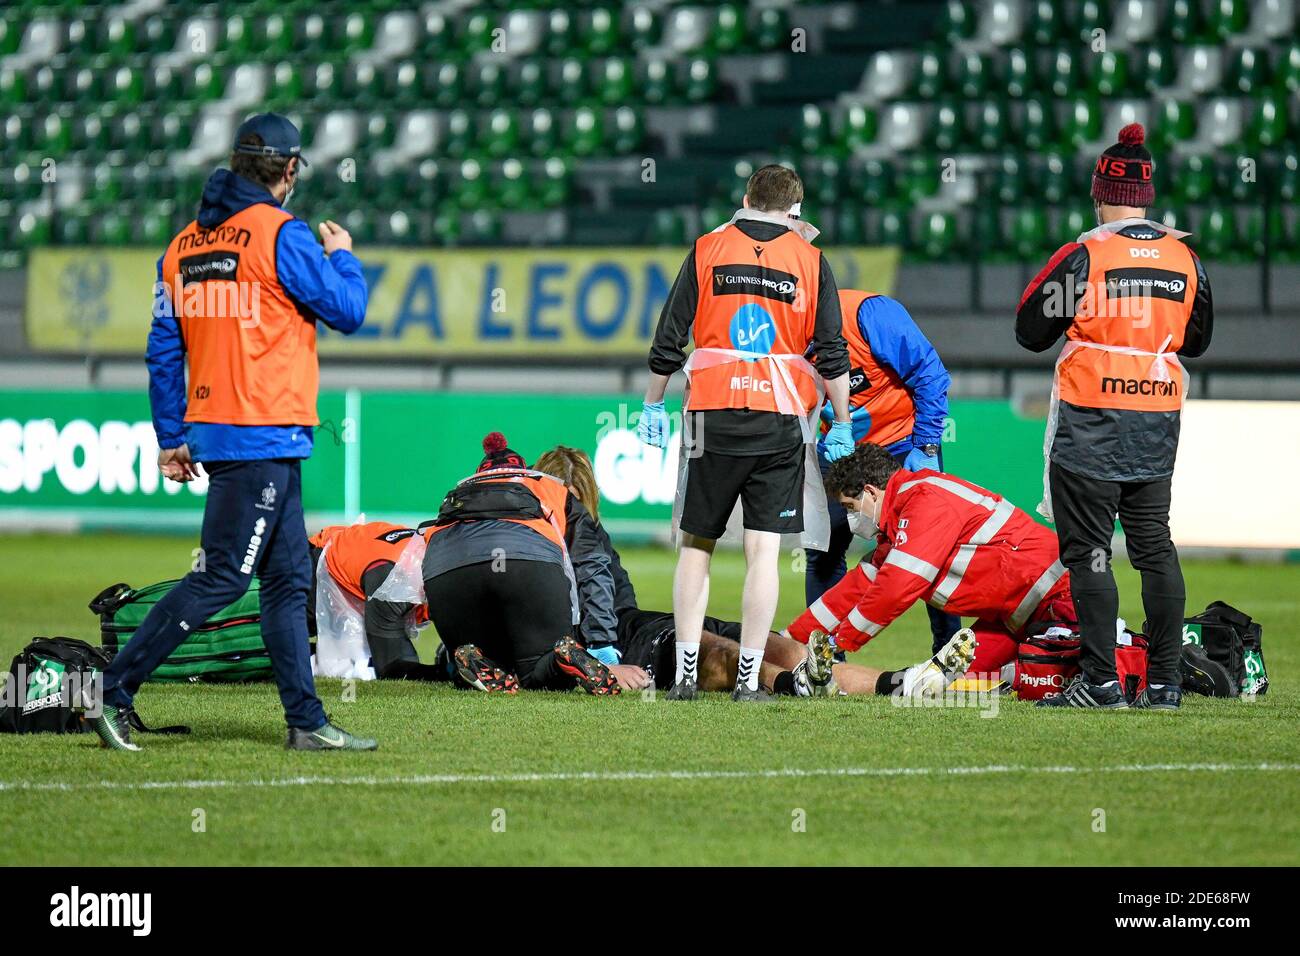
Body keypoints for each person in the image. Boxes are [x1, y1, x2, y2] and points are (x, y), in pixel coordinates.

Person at [85, 112, 375, 751]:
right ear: (289, 170)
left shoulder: (182, 247)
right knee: (220, 579)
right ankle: (111, 693)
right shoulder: (281, 235)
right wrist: (344, 256)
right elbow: (348, 311)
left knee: (286, 581)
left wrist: (171, 435)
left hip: (230, 434)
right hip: (262, 432)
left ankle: (305, 722)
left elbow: (164, 348)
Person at [637, 163, 856, 702]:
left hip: (711, 415)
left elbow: (671, 332)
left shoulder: (708, 248)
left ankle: (685, 678)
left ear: (746, 197)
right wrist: (844, 424)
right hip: (779, 420)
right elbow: (831, 353)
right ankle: (747, 680)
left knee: (697, 545)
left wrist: (651, 402)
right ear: (794, 210)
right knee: (763, 552)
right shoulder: (810, 260)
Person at [1016, 124, 1213, 710]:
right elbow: (1197, 341)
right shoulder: (1185, 258)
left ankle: (1101, 682)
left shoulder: (1085, 255)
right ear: (1148, 196)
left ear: (1100, 192)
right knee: (1155, 546)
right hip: (1155, 419)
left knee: (1091, 552)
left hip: (1091, 421)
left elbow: (1031, 332)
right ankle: (1166, 682)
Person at [532, 445, 974, 699]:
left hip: (641, 625)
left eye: (577, 502)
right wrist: (603, 660)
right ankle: (792, 686)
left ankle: (901, 682)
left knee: (766, 642)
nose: (571, 512)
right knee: (716, 650)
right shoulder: (538, 545)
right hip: (628, 642)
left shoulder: (589, 536)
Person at [792, 443, 1075, 684]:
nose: (852, 519)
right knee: (948, 683)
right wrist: (791, 638)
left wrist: (837, 642)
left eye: (851, 508)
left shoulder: (925, 500)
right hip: (1016, 617)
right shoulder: (901, 516)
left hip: (1059, 600)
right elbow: (856, 588)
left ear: (871, 491)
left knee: (1033, 678)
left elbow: (895, 588)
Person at [807, 287, 959, 655]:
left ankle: (948, 654)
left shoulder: (870, 314)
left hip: (904, 445)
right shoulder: (783, 330)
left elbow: (930, 375)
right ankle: (827, 660)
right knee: (823, 551)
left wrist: (925, 447)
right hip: (838, 450)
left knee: (931, 552)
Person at [421, 433, 621, 695]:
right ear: (524, 471)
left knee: (487, 659)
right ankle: (561, 659)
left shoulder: (458, 494)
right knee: (537, 669)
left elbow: (412, 565)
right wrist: (601, 641)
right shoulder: (547, 487)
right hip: (525, 561)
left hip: (446, 568)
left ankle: (465, 664)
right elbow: (591, 564)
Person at [307, 521, 443, 681]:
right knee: (361, 670)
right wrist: (447, 672)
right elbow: (393, 666)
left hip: (362, 559)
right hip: (321, 566)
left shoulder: (438, 568)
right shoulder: (393, 581)